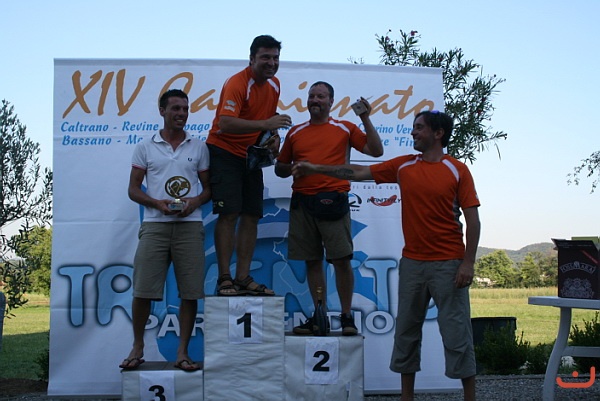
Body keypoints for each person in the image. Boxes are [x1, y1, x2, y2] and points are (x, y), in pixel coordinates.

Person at [291, 110, 480, 401]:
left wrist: (468, 263)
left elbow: (473, 221)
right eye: (413, 127)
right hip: (412, 264)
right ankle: (407, 397)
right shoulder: (404, 165)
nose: (413, 132)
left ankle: (470, 397)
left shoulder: (457, 170)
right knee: (406, 332)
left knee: (457, 333)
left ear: (438, 133)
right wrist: (315, 168)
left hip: (449, 264)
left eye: (419, 128)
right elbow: (357, 172)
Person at [275, 81, 383, 336]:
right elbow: (280, 169)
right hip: (302, 203)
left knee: (341, 261)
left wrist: (365, 118)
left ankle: (346, 317)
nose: (315, 100)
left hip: (333, 201)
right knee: (312, 261)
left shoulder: (344, 128)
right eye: (312, 96)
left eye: (321, 96)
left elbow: (376, 151)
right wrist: (292, 167)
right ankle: (319, 315)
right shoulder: (295, 132)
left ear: (331, 101)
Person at [119, 89, 211, 372]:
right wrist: (157, 203)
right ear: (162, 111)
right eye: (175, 108)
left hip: (190, 226)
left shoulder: (199, 147)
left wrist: (194, 202)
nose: (181, 114)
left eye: (185, 109)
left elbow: (209, 189)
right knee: (143, 290)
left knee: (190, 293)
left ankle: (182, 352)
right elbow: (133, 189)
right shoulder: (145, 147)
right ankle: (137, 347)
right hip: (155, 226)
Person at [206, 35, 292, 296]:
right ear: (252, 58)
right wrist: (266, 125)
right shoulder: (237, 83)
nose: (271, 63)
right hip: (224, 151)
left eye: (275, 58)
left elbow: (267, 119)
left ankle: (242, 277)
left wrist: (273, 138)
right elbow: (225, 123)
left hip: (251, 155)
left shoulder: (275, 84)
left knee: (252, 214)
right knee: (229, 213)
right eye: (265, 57)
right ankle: (224, 278)